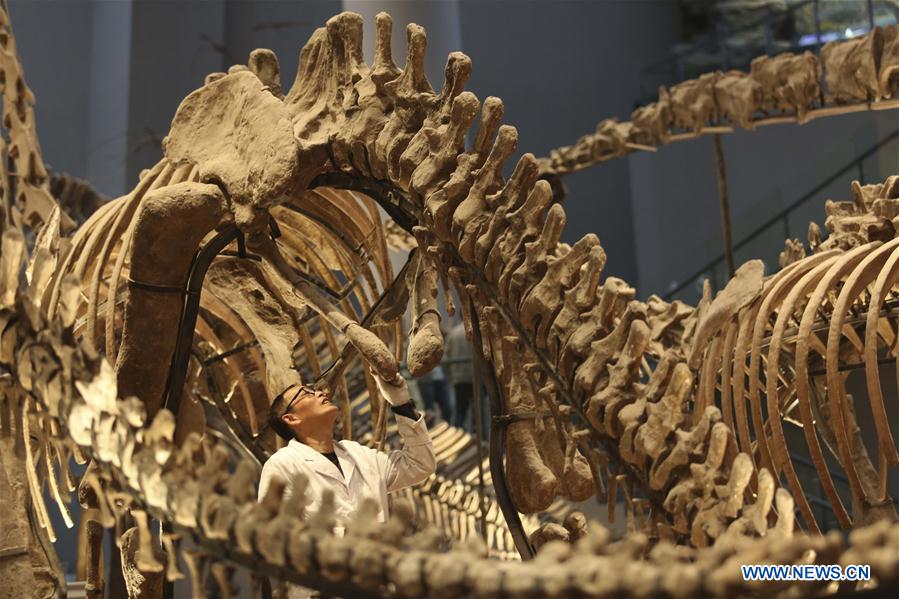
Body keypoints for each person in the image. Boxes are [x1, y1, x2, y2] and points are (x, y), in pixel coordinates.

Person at [258, 372, 436, 596]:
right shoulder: (282, 465)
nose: (321, 393)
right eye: (306, 393)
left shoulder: (358, 453)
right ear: (291, 419)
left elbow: (420, 464)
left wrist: (401, 402)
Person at [444, 321, 474, 430]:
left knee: (460, 411)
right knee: (478, 413)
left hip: (459, 378)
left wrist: (451, 378)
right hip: (475, 378)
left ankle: (458, 432)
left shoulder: (453, 333)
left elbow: (446, 358)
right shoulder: (475, 332)